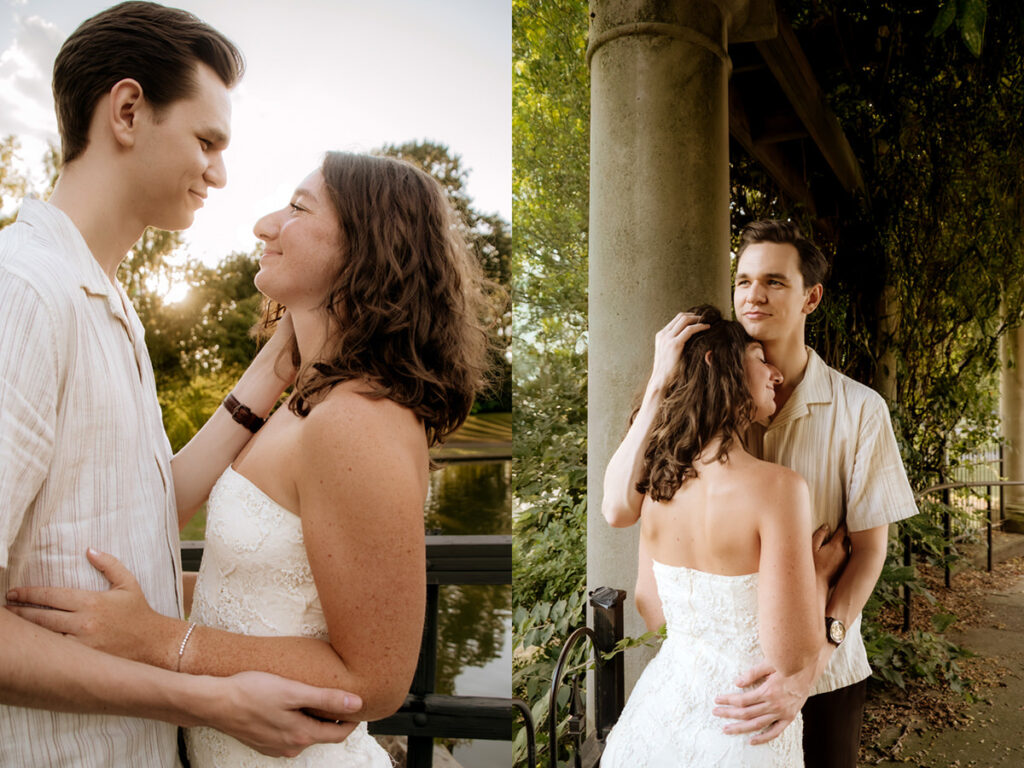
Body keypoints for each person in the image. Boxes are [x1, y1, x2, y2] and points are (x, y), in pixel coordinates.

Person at [8, 151, 492, 767]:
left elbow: (375, 682)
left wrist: (158, 639)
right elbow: (261, 583)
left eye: (297, 208)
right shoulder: (301, 406)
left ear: (368, 246)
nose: (265, 224)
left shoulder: (356, 420)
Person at [0, 3, 365, 765]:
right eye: (207, 141)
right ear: (128, 111)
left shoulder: (105, 300)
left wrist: (265, 375)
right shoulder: (23, 295)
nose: (221, 172)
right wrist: (205, 697)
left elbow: (131, 506)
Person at [604, 221, 918, 768]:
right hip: (730, 689)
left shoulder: (861, 410)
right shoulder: (695, 413)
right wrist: (658, 383)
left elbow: (869, 550)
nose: (753, 294)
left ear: (810, 297)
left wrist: (814, 660)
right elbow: (618, 511)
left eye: (774, 281)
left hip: (830, 669)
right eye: (744, 279)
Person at [600, 305, 846, 766]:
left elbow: (652, 609)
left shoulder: (658, 487)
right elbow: (792, 657)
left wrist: (659, 382)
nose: (775, 373)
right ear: (717, 362)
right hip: (743, 728)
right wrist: (819, 575)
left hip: (658, 719)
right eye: (759, 357)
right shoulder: (779, 489)